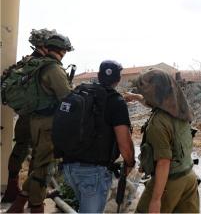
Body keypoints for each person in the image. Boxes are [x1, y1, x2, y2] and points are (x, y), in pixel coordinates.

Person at [5, 31, 73, 213]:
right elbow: (66, 98)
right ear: (62, 50)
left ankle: (18, 205)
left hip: (34, 119)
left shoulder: (34, 64)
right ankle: (36, 206)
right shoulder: (53, 68)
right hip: (47, 124)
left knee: (38, 163)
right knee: (44, 167)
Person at [59, 60, 136, 213]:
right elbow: (124, 143)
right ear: (118, 79)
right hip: (93, 173)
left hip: (69, 167)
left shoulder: (80, 93)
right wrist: (130, 162)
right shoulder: (116, 101)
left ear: (99, 76)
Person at [134, 69, 199, 213]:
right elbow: (152, 102)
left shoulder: (158, 123)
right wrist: (136, 97)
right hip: (189, 177)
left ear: (155, 93)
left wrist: (156, 200)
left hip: (170, 181)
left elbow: (163, 162)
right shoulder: (181, 108)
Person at [1, 29, 53, 203]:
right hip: (39, 117)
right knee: (39, 154)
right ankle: (32, 194)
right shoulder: (45, 65)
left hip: (23, 116)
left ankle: (12, 186)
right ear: (43, 45)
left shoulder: (24, 63)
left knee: (20, 148)